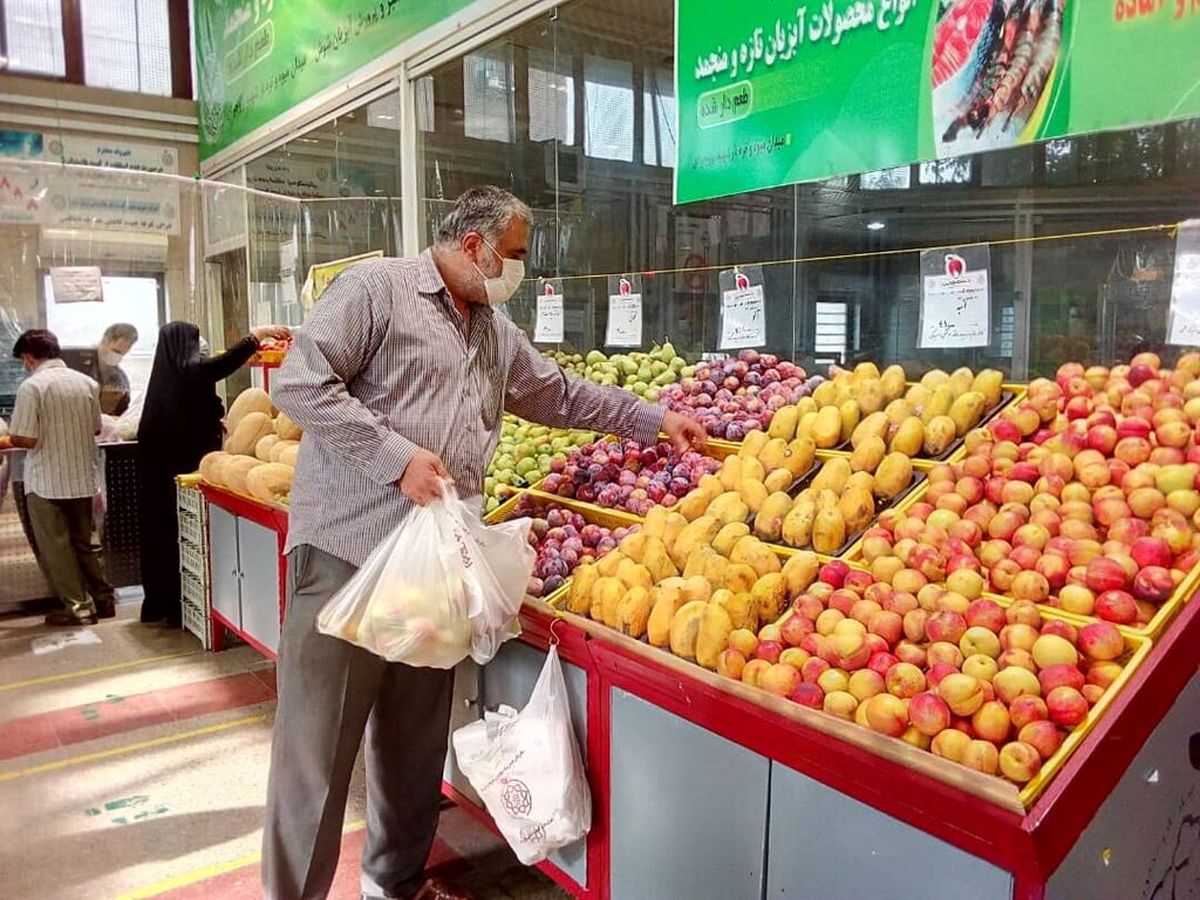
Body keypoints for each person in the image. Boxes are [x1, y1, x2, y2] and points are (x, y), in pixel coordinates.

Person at [266, 185, 706, 900]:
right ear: (473, 246)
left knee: (412, 748)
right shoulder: (375, 291)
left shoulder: (491, 332)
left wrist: (653, 418)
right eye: (516, 255)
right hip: (347, 556)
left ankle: (392, 885)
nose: (520, 271)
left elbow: (558, 395)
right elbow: (302, 384)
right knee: (315, 755)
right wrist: (395, 458)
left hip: (434, 571)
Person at [135, 321, 291, 626]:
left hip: (167, 476)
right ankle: (173, 605)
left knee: (164, 536)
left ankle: (161, 604)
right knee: (174, 536)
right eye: (196, 344)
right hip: (178, 475)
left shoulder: (167, 379)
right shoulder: (188, 373)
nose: (200, 352)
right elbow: (212, 369)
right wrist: (254, 338)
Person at [8, 329, 115, 626]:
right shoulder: (87, 383)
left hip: (46, 481)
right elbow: (96, 428)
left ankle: (79, 608)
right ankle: (104, 599)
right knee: (87, 542)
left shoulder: (33, 388)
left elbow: (25, 439)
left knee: (57, 547)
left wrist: (8, 437)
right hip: (82, 476)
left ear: (29, 358)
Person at [96, 322, 139, 416]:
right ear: (104, 341)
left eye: (122, 354)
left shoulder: (120, 379)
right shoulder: (78, 365)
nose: (116, 357)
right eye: (115, 351)